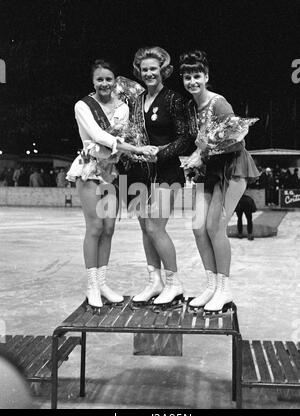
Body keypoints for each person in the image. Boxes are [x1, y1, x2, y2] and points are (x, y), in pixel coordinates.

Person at [66, 59, 158, 311]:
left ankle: (103, 284)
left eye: (109, 79)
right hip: (90, 168)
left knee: (108, 228)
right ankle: (92, 286)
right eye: (100, 79)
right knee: (94, 227)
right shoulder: (83, 106)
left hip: (112, 171)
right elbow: (98, 137)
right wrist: (134, 148)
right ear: (93, 81)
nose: (104, 83)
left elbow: (121, 135)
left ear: (115, 81)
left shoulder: (123, 108)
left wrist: (128, 151)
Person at [180, 50, 260, 312]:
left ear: (206, 77)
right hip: (209, 173)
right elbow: (199, 143)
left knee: (215, 227)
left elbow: (238, 139)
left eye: (197, 76)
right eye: (188, 77)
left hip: (232, 169)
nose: (193, 81)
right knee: (198, 227)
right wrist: (196, 156)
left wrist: (206, 150)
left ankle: (224, 289)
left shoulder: (219, 103)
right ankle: (211, 285)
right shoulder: (192, 107)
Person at [129, 46, 191, 308]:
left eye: (154, 68)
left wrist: (162, 153)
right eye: (144, 70)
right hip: (140, 172)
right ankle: (154, 281)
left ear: (163, 70)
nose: (149, 73)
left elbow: (186, 136)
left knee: (156, 226)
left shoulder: (174, 99)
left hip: (167, 171)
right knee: (145, 228)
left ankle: (174, 284)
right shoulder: (135, 101)